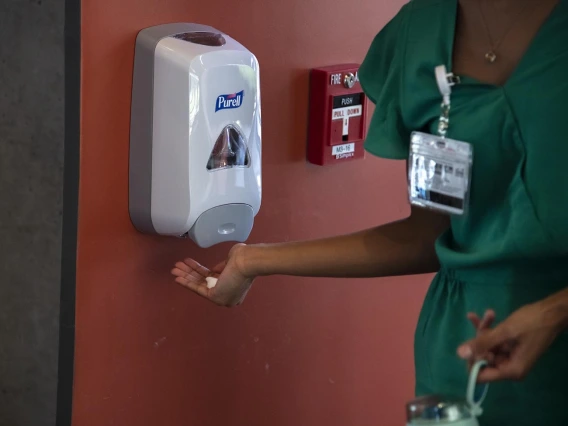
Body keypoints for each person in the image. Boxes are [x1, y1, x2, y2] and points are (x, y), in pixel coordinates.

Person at [171, 0, 568, 424]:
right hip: (463, 353)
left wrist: (554, 312)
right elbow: (427, 237)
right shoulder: (421, 33)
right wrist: (252, 260)